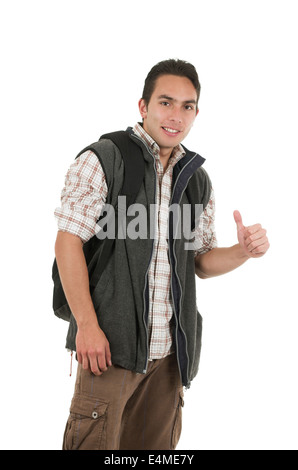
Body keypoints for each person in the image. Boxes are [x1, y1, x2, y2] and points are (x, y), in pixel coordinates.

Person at [54, 59, 269, 451]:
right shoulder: (103, 159)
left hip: (169, 357)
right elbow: (67, 242)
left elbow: (200, 262)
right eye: (166, 102)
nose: (176, 115)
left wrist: (242, 252)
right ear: (143, 106)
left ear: (196, 113)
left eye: (187, 106)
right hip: (109, 349)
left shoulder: (196, 179)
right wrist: (86, 325)